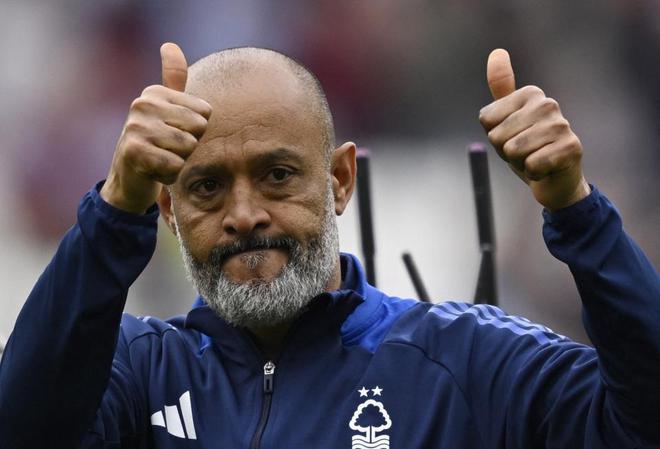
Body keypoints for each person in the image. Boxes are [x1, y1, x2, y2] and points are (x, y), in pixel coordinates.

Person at [0, 43, 658, 449]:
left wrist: (577, 212)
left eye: (277, 175)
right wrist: (116, 210)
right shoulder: (135, 371)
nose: (245, 215)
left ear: (340, 179)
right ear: (168, 211)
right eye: (206, 187)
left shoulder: (467, 362)